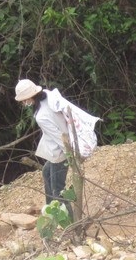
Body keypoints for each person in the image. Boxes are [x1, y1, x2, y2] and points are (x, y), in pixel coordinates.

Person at [14, 79, 100, 220]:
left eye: (24, 100)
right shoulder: (48, 96)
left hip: (60, 152)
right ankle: (51, 211)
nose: (24, 103)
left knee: (58, 189)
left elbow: (59, 138)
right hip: (63, 144)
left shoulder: (41, 116)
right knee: (46, 172)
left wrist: (72, 157)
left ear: (29, 97)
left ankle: (69, 222)